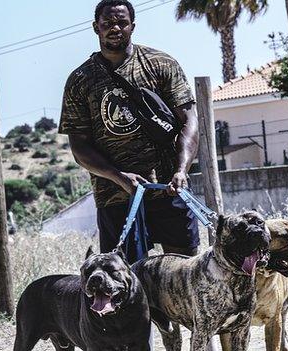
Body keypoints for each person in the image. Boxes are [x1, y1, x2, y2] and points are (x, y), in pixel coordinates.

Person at [58, 0, 200, 258]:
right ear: (95, 27)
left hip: (169, 188)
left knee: (183, 273)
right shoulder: (80, 80)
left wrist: (181, 170)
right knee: (126, 281)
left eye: (121, 23)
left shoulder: (161, 64)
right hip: (115, 197)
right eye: (107, 23)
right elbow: (79, 147)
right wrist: (119, 177)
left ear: (132, 26)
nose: (115, 28)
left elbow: (189, 121)